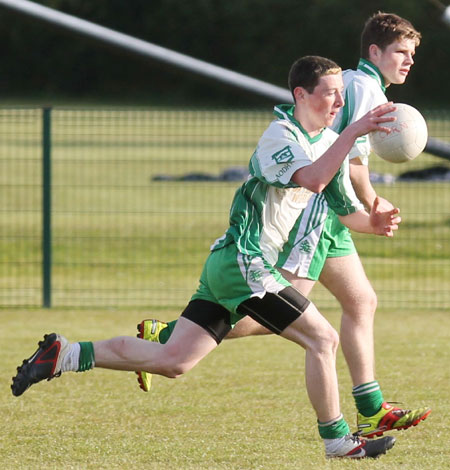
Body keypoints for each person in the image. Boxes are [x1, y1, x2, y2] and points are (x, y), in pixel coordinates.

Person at [12, 56, 400, 459]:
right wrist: (355, 130)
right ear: (301, 94)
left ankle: (66, 354)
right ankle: (337, 441)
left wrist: (375, 222)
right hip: (244, 263)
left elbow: (342, 207)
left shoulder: (325, 144)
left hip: (232, 266)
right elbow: (313, 178)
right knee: (323, 338)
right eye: (330, 93)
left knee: (174, 360)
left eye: (341, 94)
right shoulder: (280, 136)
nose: (339, 102)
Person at [136, 12, 431, 439]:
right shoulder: (365, 90)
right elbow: (350, 163)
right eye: (401, 52)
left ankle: (371, 407)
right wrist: (372, 203)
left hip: (329, 213)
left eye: (411, 54)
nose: (408, 61)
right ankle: (169, 334)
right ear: (375, 51)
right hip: (315, 215)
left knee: (360, 302)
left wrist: (369, 206)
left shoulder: (356, 82)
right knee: (284, 313)